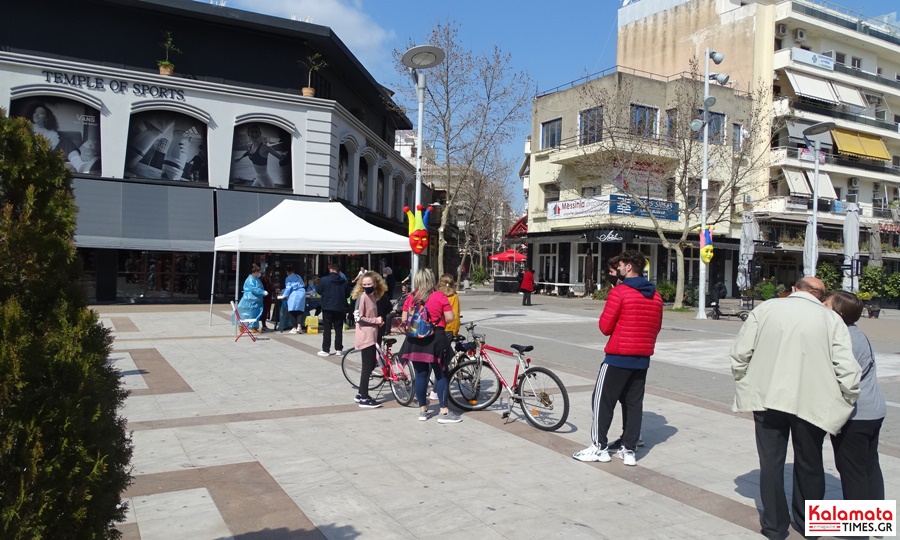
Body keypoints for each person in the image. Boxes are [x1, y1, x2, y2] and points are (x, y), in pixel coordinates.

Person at [730, 277, 860, 539]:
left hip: (767, 398)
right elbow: (846, 366)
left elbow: (740, 353)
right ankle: (809, 524)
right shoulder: (830, 318)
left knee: (770, 463)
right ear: (820, 296)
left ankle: (775, 526)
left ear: (794, 289)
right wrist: (848, 398)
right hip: (811, 399)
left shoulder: (765, 309)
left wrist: (746, 381)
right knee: (810, 463)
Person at [573, 250, 662, 467]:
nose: (618, 269)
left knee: (602, 401)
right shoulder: (656, 295)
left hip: (617, 358)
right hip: (642, 358)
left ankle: (599, 446)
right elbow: (655, 327)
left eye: (621, 265)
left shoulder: (620, 292)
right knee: (633, 404)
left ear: (629, 267)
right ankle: (628, 449)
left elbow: (605, 327)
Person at [825, 291, 886, 501]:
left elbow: (841, 377)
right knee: (869, 465)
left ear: (838, 313)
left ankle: (858, 529)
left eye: (827, 304)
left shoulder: (843, 338)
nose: (822, 306)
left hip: (855, 415)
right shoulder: (856, 332)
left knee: (852, 471)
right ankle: (875, 521)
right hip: (873, 411)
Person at [399, 268, 461, 424]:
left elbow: (405, 319)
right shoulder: (439, 296)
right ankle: (444, 412)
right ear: (432, 280)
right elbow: (449, 318)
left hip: (414, 341)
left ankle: (423, 411)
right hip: (436, 340)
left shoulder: (411, 298)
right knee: (441, 375)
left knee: (421, 375)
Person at [350, 271, 386, 408]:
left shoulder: (373, 297)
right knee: (367, 366)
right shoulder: (363, 297)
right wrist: (375, 320)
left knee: (370, 365)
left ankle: (360, 392)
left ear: (375, 284)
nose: (367, 286)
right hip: (365, 336)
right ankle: (364, 398)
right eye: (364, 284)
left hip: (372, 335)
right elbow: (358, 318)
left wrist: (378, 322)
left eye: (369, 284)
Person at [233, 123, 285, 188]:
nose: (254, 134)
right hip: (258, 177)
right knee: (252, 193)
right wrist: (240, 158)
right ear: (249, 134)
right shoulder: (249, 146)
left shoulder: (266, 147)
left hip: (265, 179)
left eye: (256, 132)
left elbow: (279, 157)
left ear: (259, 133)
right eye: (252, 132)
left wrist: (285, 157)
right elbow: (248, 152)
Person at [317, 264, 349, 356]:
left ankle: (326, 349)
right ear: (339, 271)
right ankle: (339, 349)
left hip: (327, 306)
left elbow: (319, 291)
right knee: (338, 329)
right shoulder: (344, 282)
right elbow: (347, 295)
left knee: (327, 329)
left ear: (330, 270)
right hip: (340, 307)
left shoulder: (324, 280)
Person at [237, 263, 267, 333]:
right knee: (248, 314)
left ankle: (254, 327)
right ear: (255, 272)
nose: (259, 273)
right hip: (250, 300)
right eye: (258, 272)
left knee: (255, 314)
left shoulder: (256, 279)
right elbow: (253, 289)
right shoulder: (250, 279)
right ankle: (242, 326)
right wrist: (262, 292)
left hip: (256, 300)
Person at [282, 265, 306, 334]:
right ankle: (299, 327)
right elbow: (302, 284)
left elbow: (288, 288)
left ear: (287, 272)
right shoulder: (298, 276)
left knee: (292, 311)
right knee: (300, 310)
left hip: (294, 294)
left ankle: (294, 327)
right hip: (301, 293)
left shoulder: (288, 278)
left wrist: (284, 295)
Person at [259, 263, 276, 331]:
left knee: (266, 310)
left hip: (268, 296)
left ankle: (264, 324)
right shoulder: (264, 278)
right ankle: (264, 325)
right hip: (266, 297)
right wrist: (274, 290)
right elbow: (267, 288)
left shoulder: (267, 278)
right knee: (265, 311)